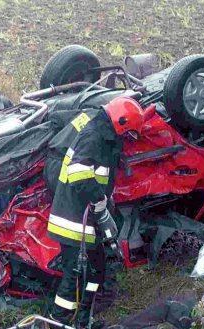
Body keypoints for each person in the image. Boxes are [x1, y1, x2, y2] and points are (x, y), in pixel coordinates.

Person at [46, 97, 144, 328]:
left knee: (96, 269)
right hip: (72, 221)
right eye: (128, 132)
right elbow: (79, 172)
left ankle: (83, 321)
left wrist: (104, 200)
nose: (127, 138)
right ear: (121, 122)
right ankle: (57, 322)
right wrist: (99, 198)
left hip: (86, 219)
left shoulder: (104, 135)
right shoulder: (94, 136)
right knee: (74, 275)